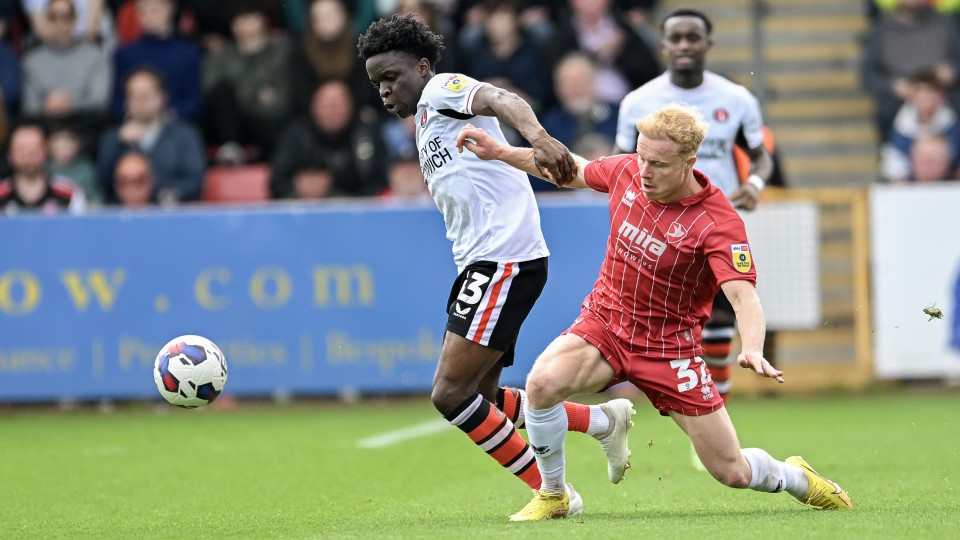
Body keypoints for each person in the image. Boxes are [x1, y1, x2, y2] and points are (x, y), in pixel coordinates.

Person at [457, 102, 853, 520]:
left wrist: (752, 347)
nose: (644, 171)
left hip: (670, 350)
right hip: (606, 324)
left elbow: (743, 296)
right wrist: (500, 151)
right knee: (542, 384)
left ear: (689, 162)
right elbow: (571, 170)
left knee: (732, 471)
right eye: (642, 157)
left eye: (659, 164)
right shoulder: (628, 171)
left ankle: (797, 477)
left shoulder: (718, 223)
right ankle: (554, 494)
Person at [358, 13, 636, 507]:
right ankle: (602, 421)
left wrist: (540, 138)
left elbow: (502, 98)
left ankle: (553, 493)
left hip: (502, 260)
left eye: (391, 76)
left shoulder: (440, 89)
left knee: (450, 394)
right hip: (484, 263)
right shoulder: (425, 120)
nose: (384, 90)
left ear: (421, 66)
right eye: (377, 82)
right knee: (481, 398)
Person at [614, 9, 775, 441]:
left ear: (708, 44)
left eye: (693, 37)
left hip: (715, 226)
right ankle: (699, 412)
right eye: (676, 38)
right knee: (677, 327)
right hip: (659, 230)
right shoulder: (638, 102)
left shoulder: (736, 99)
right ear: (664, 45)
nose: (684, 45)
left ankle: (715, 415)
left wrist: (754, 183)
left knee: (721, 317)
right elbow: (622, 165)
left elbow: (761, 156)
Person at [97, 67, 205, 203]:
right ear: (125, 101)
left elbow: (195, 182)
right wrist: (117, 144)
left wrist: (158, 192)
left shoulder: (184, 135)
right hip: (123, 212)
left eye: (146, 95)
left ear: (163, 97)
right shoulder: (113, 138)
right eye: (133, 95)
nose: (140, 101)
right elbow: (102, 184)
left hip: (170, 210)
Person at [0, 123, 86, 214]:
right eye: (22, 149)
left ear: (46, 151)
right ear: (10, 154)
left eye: (34, 149)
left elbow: (81, 222)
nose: (28, 155)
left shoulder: (69, 193)